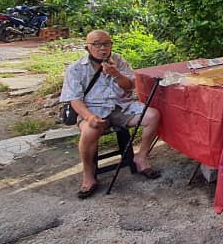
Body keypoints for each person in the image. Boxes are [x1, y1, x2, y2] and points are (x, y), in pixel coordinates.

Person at [60, 29, 162, 199]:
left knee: (153, 115)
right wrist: (89, 117)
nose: (103, 48)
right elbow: (74, 100)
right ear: (87, 47)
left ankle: (141, 157)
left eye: (106, 44)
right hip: (92, 110)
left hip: (120, 107)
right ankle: (88, 174)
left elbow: (130, 86)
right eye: (97, 44)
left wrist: (116, 74)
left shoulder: (119, 60)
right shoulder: (76, 69)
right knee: (90, 131)